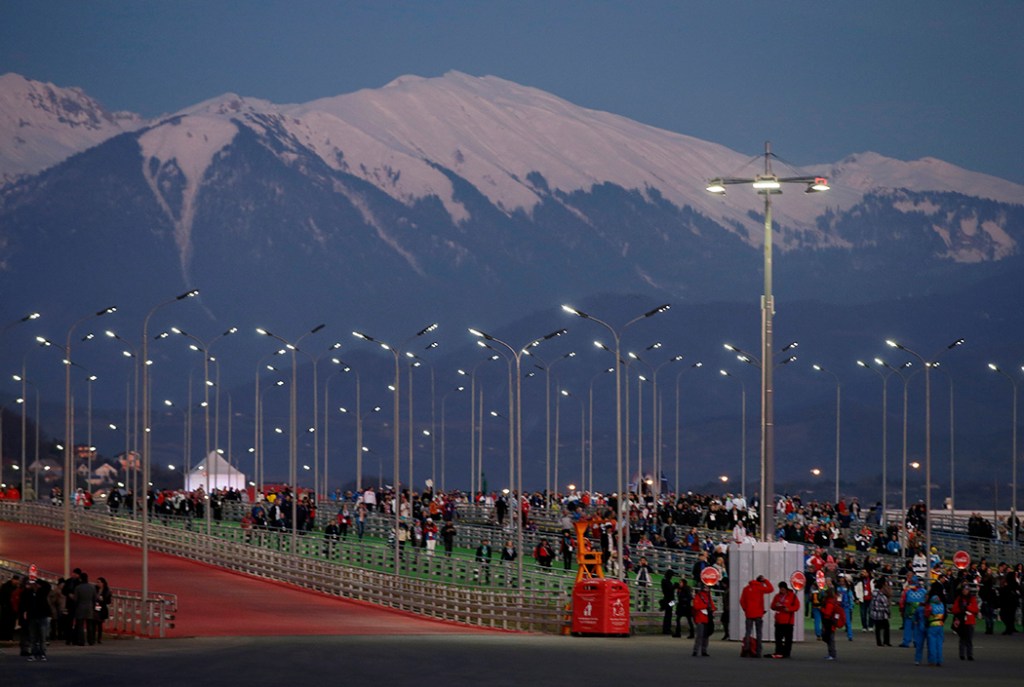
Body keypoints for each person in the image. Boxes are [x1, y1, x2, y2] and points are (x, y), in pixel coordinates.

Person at [739, 575, 774, 657]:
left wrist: (745, 609)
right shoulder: (760, 588)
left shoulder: (746, 588)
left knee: (748, 632)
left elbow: (742, 600)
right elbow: (771, 589)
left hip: (749, 613)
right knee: (759, 633)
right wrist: (766, 581)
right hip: (758, 613)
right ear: (761, 582)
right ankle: (758, 651)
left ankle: (746, 649)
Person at [19, 577, 52, 662]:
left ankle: (42, 653)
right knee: (33, 637)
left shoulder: (42, 592)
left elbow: (47, 585)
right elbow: (22, 602)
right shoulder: (27, 593)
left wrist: (36, 579)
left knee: (42, 637)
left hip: (41, 616)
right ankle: (34, 653)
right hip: (33, 616)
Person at [769, 581, 800, 658]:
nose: (781, 591)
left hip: (788, 621)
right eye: (780, 589)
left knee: (788, 639)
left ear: (786, 589)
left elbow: (797, 606)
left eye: (782, 589)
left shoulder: (792, 596)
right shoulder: (777, 596)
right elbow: (772, 606)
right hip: (779, 620)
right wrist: (775, 605)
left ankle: (786, 653)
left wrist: (789, 609)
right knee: (778, 638)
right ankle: (778, 651)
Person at [950, 584, 978, 661]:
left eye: (966, 590)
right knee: (962, 638)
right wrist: (961, 609)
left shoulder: (972, 598)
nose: (965, 591)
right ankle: (962, 654)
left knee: (969, 639)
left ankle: (969, 654)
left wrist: (967, 607)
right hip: (961, 620)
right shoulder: (959, 599)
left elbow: (975, 609)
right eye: (964, 590)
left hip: (970, 621)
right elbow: (954, 610)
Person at [71, 570, 98, 646]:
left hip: (80, 607)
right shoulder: (92, 587)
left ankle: (81, 641)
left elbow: (76, 599)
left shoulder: (78, 588)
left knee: (80, 626)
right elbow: (95, 598)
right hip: (89, 607)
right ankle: (91, 640)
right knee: (90, 625)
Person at [692, 580, 715, 657]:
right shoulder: (699, 596)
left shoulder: (706, 596)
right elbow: (696, 606)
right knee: (701, 635)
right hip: (701, 618)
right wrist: (707, 607)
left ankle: (700, 650)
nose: (707, 589)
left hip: (705, 617)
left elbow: (712, 605)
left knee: (704, 635)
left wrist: (712, 608)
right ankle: (699, 650)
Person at [820, 586, 844, 661]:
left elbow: (827, 613)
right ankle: (831, 654)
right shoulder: (834, 601)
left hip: (829, 623)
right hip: (832, 622)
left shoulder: (829, 602)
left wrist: (822, 609)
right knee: (830, 638)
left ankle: (832, 654)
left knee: (830, 639)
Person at [924, 594, 946, 666]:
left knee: (932, 644)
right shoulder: (942, 605)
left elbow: (926, 615)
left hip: (932, 626)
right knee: (939, 645)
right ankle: (939, 660)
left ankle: (932, 661)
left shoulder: (930, 606)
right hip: (940, 625)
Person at [870, 581, 893, 647]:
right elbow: (886, 605)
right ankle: (886, 641)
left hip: (875, 614)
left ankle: (879, 642)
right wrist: (888, 612)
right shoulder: (881, 595)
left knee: (877, 629)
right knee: (886, 627)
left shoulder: (873, 594)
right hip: (882, 614)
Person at [94, 576, 112, 643]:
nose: (97, 583)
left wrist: (103, 599)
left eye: (98, 582)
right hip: (96, 606)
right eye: (97, 582)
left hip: (102, 607)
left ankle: (99, 638)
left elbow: (108, 601)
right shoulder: (95, 589)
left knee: (99, 623)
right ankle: (93, 637)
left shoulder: (106, 591)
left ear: (103, 583)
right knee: (94, 622)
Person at [660, 569, 676, 634]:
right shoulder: (666, 581)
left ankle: (667, 628)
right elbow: (670, 589)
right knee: (668, 614)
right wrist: (674, 586)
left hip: (669, 600)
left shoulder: (665, 581)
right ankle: (667, 629)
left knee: (668, 614)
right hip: (669, 600)